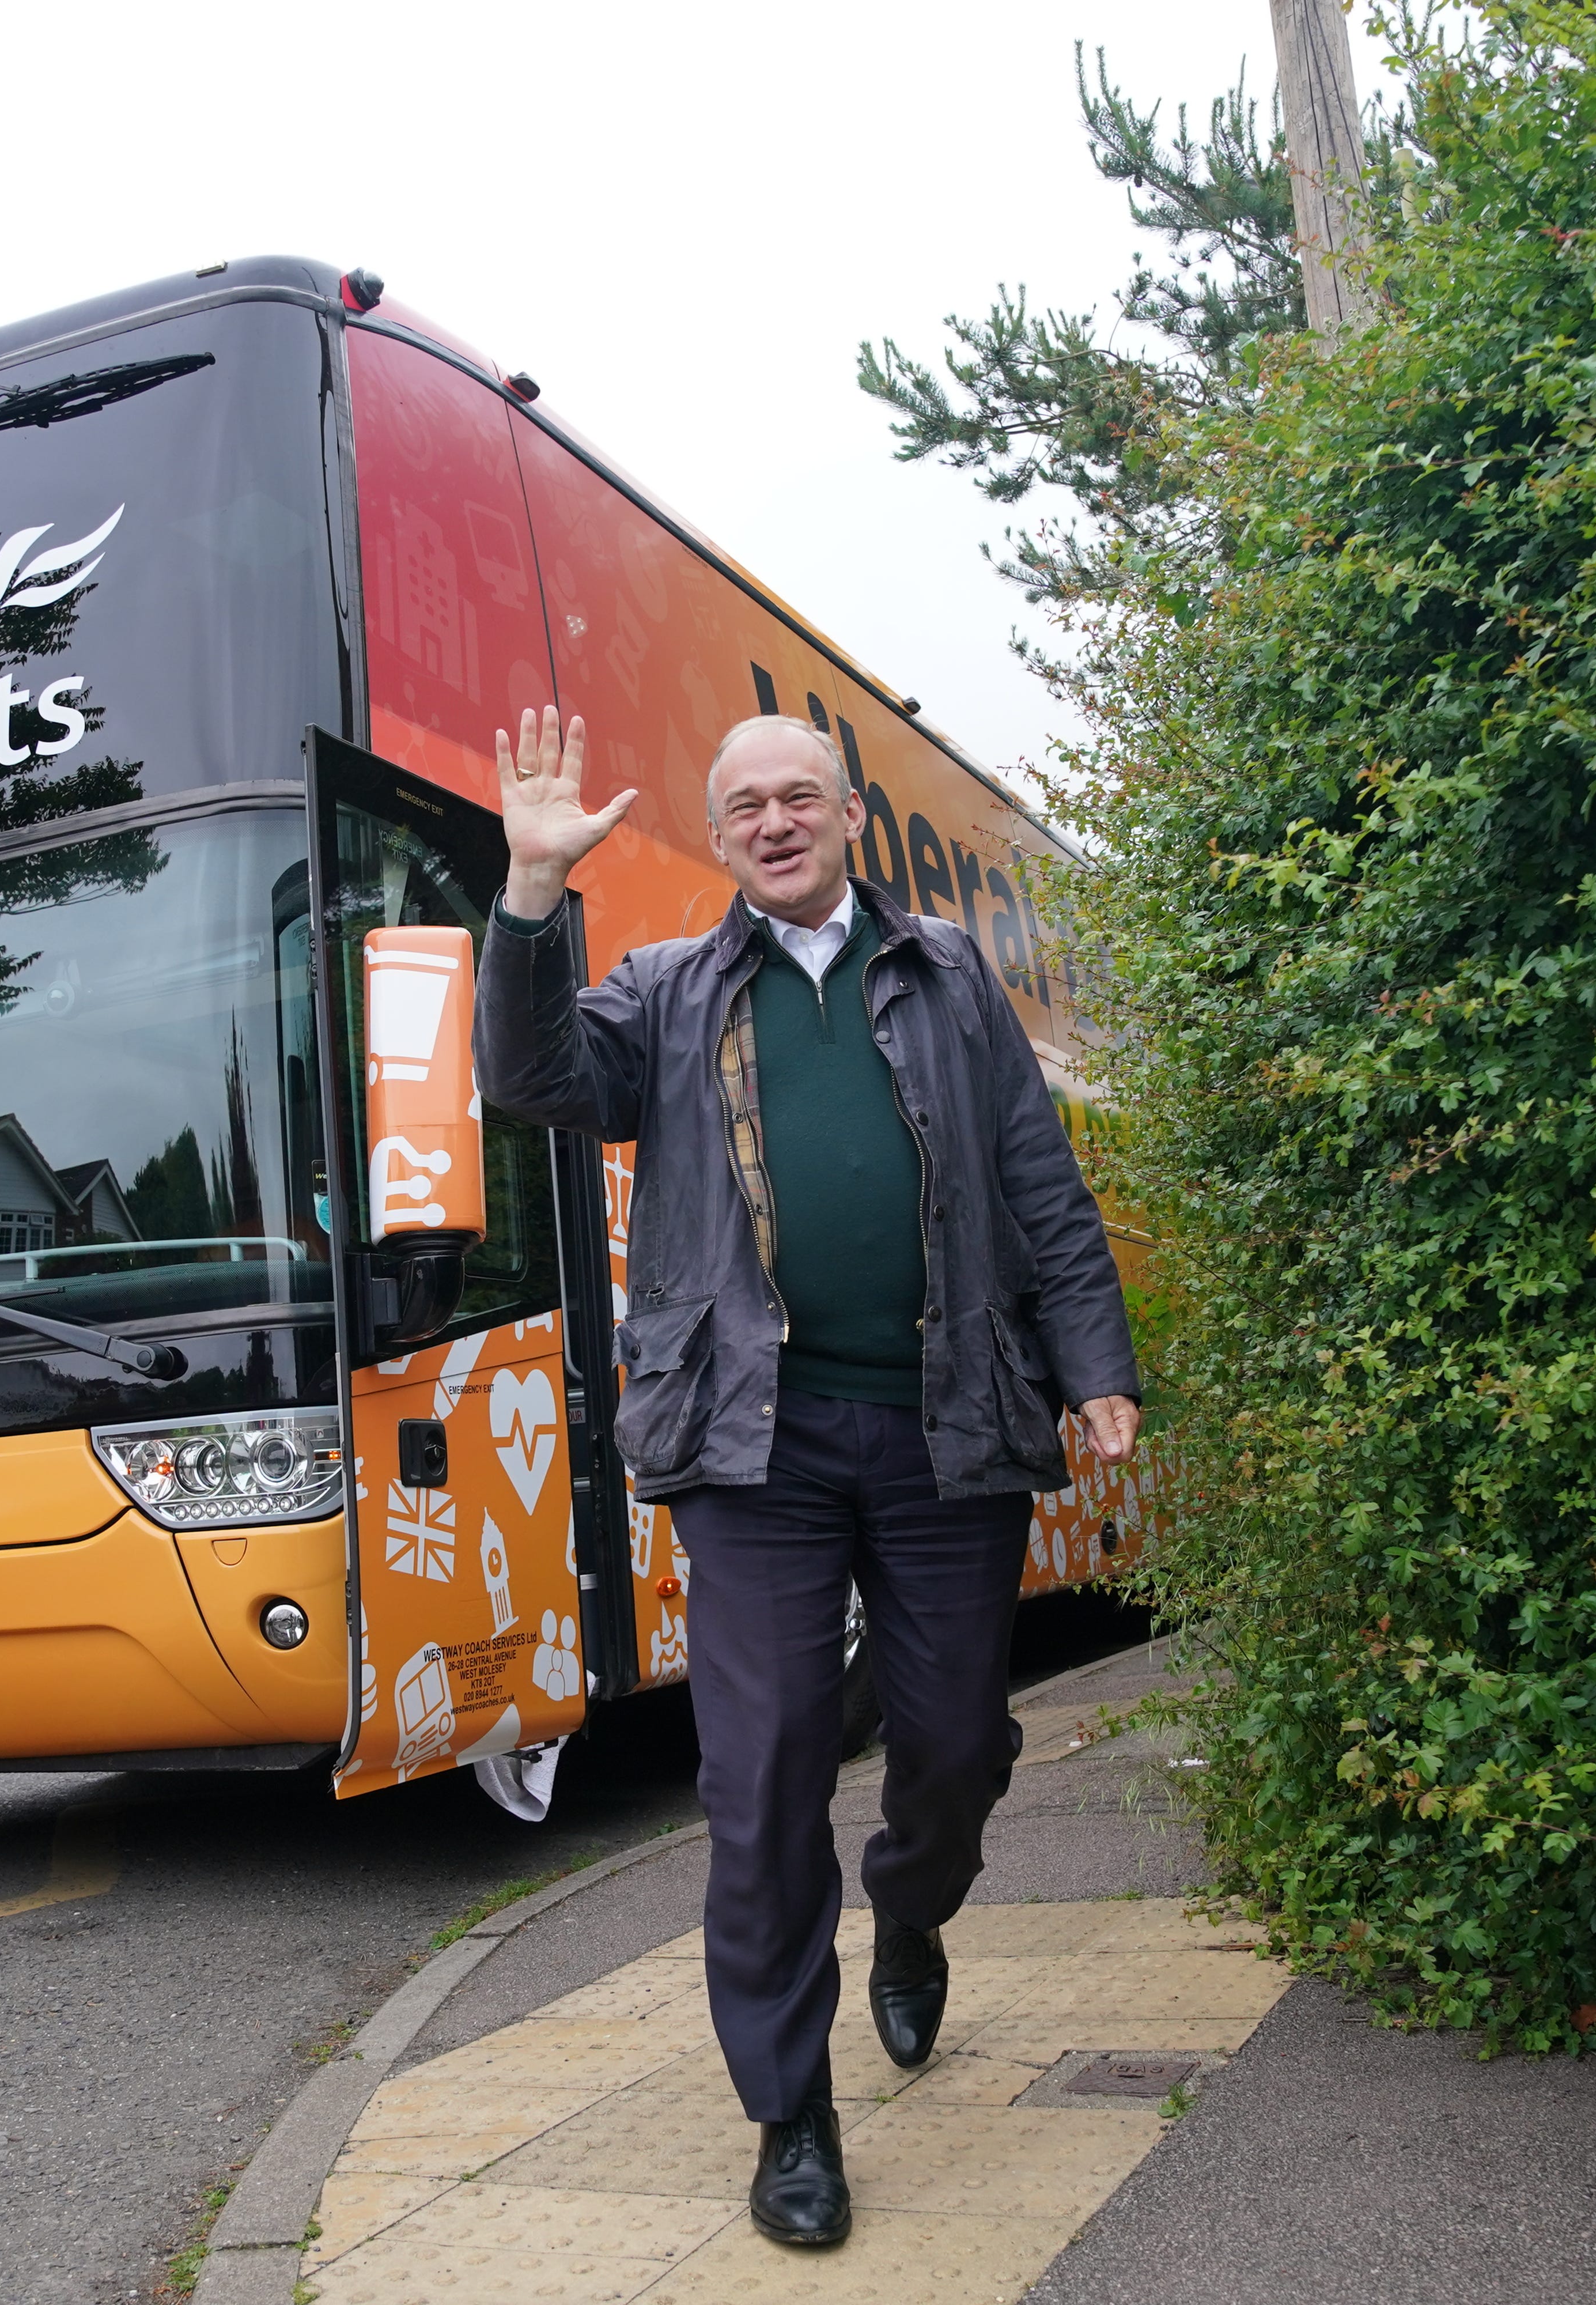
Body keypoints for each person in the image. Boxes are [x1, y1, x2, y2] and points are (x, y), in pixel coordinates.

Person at [474, 706, 1141, 2249]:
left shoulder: (952, 978)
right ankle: (792, 2113)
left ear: (847, 814)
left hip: (945, 1425)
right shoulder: (665, 992)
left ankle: (913, 1905)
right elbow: (529, 1074)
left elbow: (1040, 1181)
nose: (774, 821)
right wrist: (527, 893)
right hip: (753, 1448)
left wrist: (1095, 1365)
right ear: (721, 838)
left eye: (799, 797)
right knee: (764, 1774)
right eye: (744, 805)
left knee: (959, 1741)